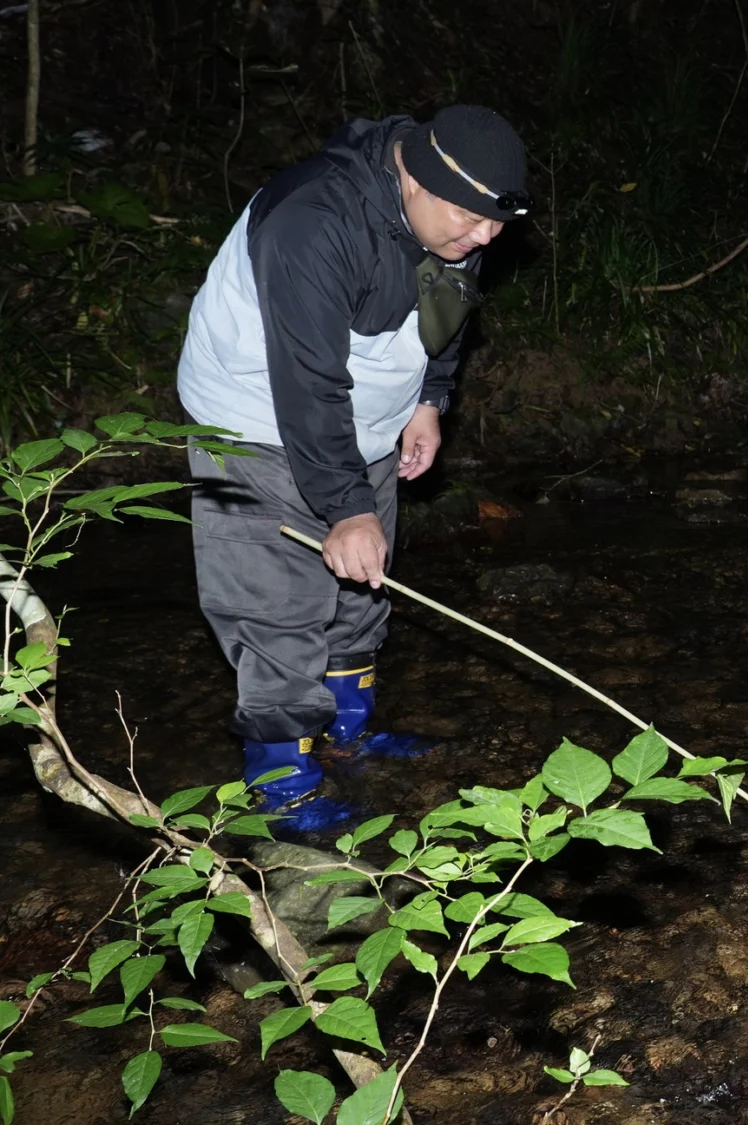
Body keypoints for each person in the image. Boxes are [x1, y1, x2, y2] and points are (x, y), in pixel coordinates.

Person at [177, 105, 531, 828]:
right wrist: (344, 505)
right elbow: (306, 383)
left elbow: (450, 304)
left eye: (497, 224)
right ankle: (283, 789)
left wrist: (430, 399)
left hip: (366, 422)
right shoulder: (312, 219)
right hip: (255, 423)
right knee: (277, 607)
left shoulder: (461, 214)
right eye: (471, 220)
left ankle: (348, 732)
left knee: (365, 580)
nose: (484, 238)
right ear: (415, 180)